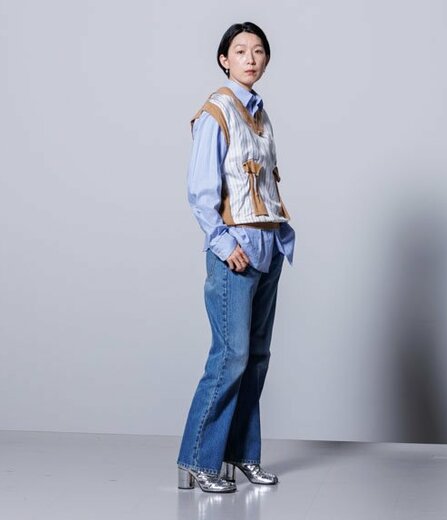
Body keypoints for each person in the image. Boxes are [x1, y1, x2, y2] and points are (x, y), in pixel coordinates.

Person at [176, 21, 296, 493]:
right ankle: (197, 460)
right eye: (241, 50)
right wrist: (226, 247)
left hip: (268, 247)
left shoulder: (261, 115)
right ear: (224, 59)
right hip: (237, 253)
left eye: (259, 50)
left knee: (257, 357)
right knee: (231, 356)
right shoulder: (217, 111)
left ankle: (241, 456)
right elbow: (201, 192)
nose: (251, 58)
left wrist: (280, 236)